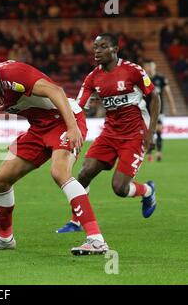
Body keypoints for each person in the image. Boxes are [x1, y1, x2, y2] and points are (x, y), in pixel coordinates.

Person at [0, 48, 109, 255]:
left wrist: (72, 127)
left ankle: (96, 240)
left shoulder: (13, 73)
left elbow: (56, 91)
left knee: (59, 173)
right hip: (39, 128)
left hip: (64, 120)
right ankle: (5, 240)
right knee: (0, 180)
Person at [56, 33, 161, 234]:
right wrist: (69, 126)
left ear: (115, 49)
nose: (97, 51)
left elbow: (154, 98)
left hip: (135, 134)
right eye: (95, 47)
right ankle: (76, 222)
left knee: (120, 188)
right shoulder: (93, 78)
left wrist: (151, 132)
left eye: (103, 47)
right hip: (110, 133)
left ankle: (147, 190)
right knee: (85, 173)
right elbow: (80, 108)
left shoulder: (132, 71)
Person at [143, 60, 177, 162]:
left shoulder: (161, 79)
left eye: (151, 66)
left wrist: (172, 107)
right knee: (148, 132)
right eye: (147, 66)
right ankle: (149, 154)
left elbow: (168, 93)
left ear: (154, 66)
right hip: (146, 110)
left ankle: (159, 153)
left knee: (158, 130)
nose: (149, 68)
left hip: (158, 109)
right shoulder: (143, 79)